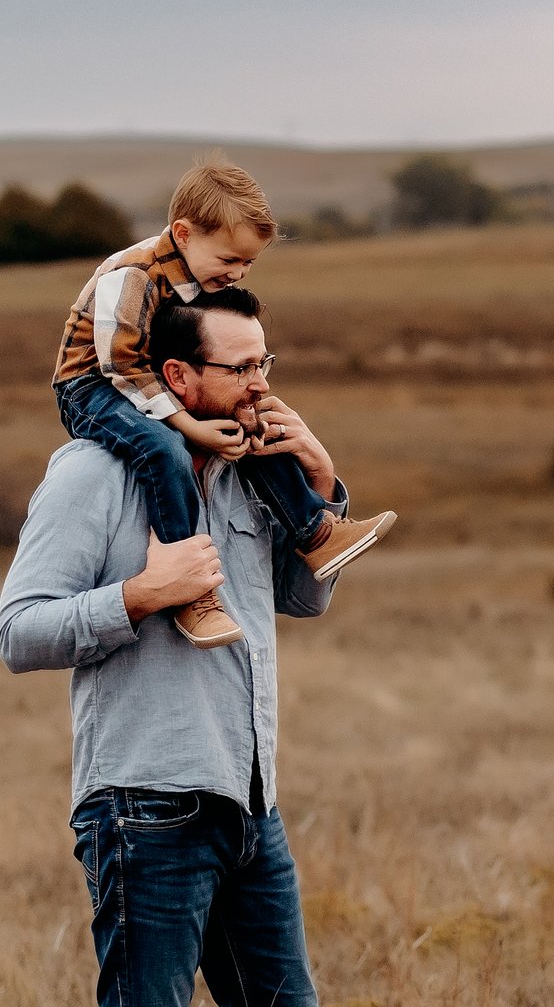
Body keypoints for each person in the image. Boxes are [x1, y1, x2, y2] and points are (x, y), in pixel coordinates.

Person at [0, 285, 359, 1007]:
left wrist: (320, 483)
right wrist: (143, 594)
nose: (257, 388)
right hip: (143, 806)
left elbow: (304, 598)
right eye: (239, 370)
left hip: (250, 801)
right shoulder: (91, 473)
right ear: (176, 375)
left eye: (266, 365)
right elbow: (18, 630)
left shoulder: (250, 472)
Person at [51, 156, 394, 647]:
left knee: (247, 425)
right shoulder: (132, 275)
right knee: (162, 450)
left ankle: (316, 531)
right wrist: (189, 426)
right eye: (229, 260)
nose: (238, 273)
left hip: (144, 379)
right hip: (92, 386)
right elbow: (122, 367)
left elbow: (303, 604)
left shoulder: (196, 276)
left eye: (248, 263)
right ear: (184, 234)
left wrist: (316, 473)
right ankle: (190, 591)